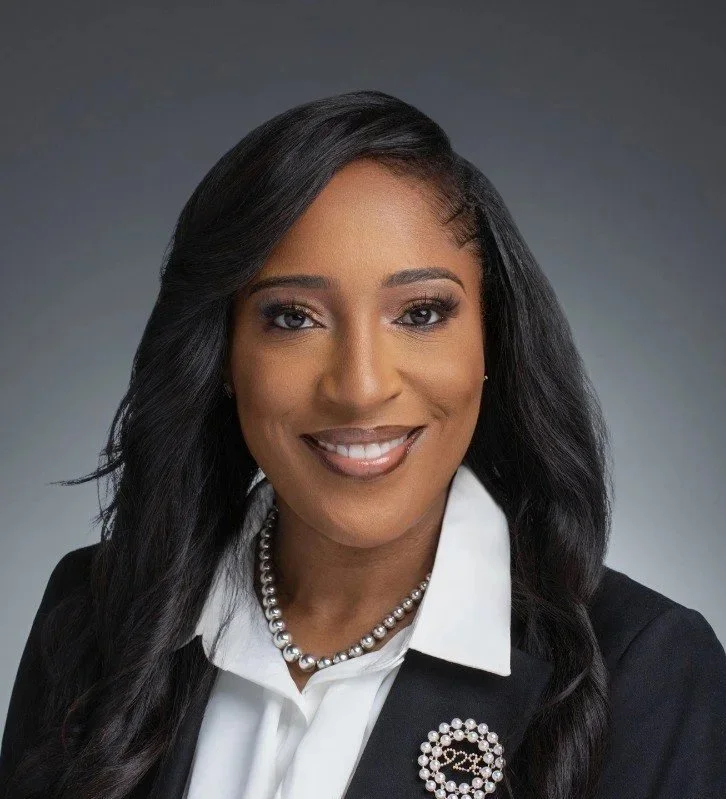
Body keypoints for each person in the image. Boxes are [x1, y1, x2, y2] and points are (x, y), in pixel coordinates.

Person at [1, 90, 725, 799]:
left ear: (491, 341)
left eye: (419, 312)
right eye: (292, 317)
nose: (360, 386)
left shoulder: (648, 667)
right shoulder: (91, 618)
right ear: (221, 355)